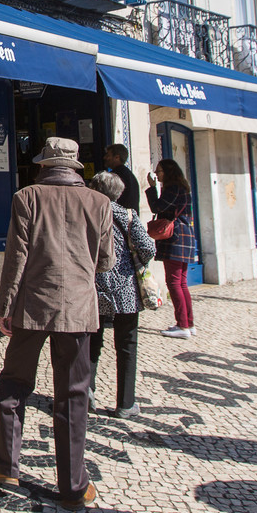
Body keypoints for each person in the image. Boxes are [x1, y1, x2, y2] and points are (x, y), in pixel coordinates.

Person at [0, 136, 114, 510]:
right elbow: (105, 262)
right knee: (73, 395)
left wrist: (5, 307)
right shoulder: (100, 202)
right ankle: (73, 485)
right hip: (78, 310)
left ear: (44, 164)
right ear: (75, 167)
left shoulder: (26, 197)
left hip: (32, 308)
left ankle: (6, 466)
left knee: (14, 383)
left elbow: (16, 258)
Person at [87, 170, 156, 418]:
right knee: (127, 345)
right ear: (118, 193)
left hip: (93, 287)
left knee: (91, 342)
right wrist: (135, 260)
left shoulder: (87, 215)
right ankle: (125, 404)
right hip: (125, 287)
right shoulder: (128, 216)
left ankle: (87, 395)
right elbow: (148, 247)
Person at [146, 158, 196, 338]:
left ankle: (182, 326)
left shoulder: (173, 188)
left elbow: (157, 206)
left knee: (174, 283)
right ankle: (188, 323)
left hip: (176, 238)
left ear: (167, 172)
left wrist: (152, 188)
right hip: (185, 236)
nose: (157, 175)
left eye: (159, 171)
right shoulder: (183, 187)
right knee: (181, 283)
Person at [102, 143, 141, 215]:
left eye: (108, 155)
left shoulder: (116, 176)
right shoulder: (128, 174)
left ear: (117, 157)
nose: (105, 158)